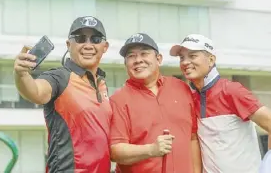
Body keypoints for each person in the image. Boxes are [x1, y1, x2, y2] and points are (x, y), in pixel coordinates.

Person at [14, 16, 112, 173]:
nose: (88, 45)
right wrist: (22, 75)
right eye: (80, 38)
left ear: (105, 46)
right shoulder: (60, 77)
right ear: (69, 44)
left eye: (95, 39)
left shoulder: (102, 84)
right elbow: (36, 92)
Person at [170, 34, 271, 173]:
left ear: (211, 59)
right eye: (182, 58)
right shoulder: (190, 98)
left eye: (192, 56)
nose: (185, 62)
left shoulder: (232, 91)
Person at [110, 33, 202, 173]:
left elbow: (193, 138)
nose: (138, 60)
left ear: (159, 59)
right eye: (131, 56)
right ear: (125, 65)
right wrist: (151, 150)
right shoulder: (118, 100)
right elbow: (115, 151)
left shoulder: (181, 88)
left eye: (144, 54)